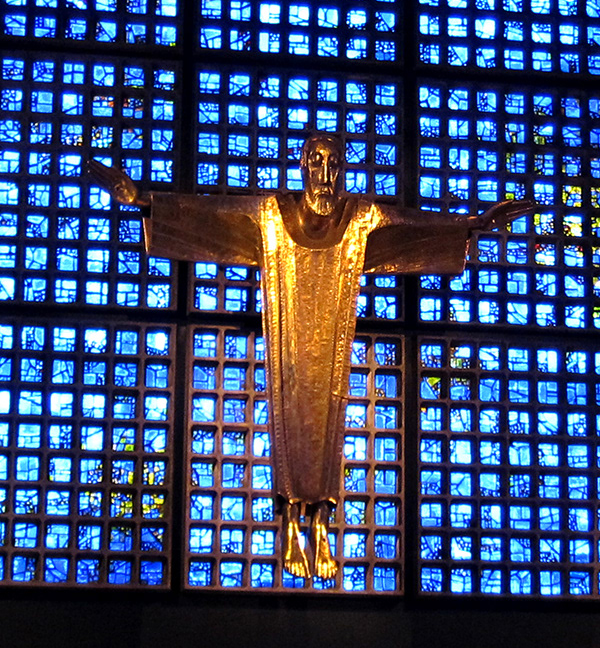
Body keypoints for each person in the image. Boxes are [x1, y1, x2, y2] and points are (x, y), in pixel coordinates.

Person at [88, 134, 530, 581]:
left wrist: (471, 225)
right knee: (288, 412)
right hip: (288, 338)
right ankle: (289, 524)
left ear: (344, 171)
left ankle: (320, 522)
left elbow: (411, 226)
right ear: (301, 166)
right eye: (316, 163)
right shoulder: (270, 215)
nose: (325, 175)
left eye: (334, 164)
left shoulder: (361, 219)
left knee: (328, 418)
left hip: (333, 339)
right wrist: (144, 200)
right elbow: (211, 214)